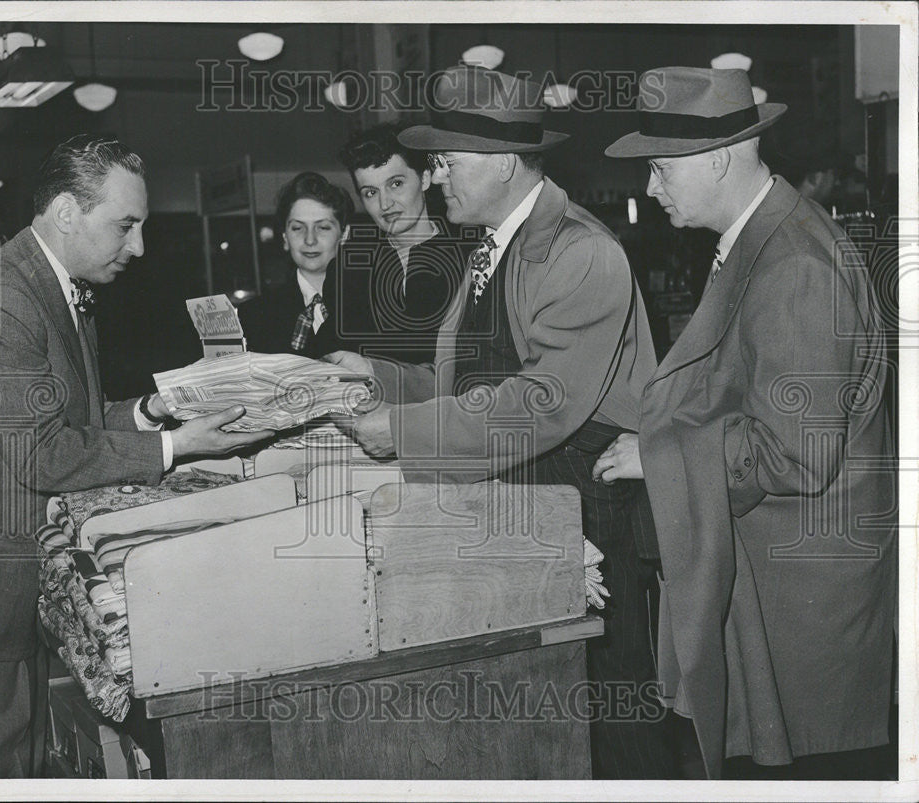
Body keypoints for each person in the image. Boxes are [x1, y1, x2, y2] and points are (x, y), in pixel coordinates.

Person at [327, 66, 673, 779]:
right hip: (516, 509)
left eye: (447, 160)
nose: (435, 174)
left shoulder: (579, 251)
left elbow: (539, 403)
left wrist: (407, 432)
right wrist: (376, 375)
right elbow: (465, 384)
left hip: (582, 516)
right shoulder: (491, 245)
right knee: (538, 726)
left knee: (609, 725)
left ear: (506, 163)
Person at [598, 66, 896, 779]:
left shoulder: (793, 265)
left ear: (720, 159)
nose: (650, 189)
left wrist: (659, 454)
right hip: (780, 582)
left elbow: (796, 454)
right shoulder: (765, 235)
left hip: (801, 606)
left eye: (662, 171)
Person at [0, 134, 274, 778]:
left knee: (22, 763)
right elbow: (42, 453)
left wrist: (155, 410)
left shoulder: (51, 283)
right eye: (125, 225)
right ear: (67, 212)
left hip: (18, 591)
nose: (139, 246)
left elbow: (72, 420)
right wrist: (178, 446)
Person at [335, 122, 466, 362]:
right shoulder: (350, 267)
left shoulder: (468, 258)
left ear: (425, 180)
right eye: (370, 193)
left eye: (395, 184)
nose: (385, 204)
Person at [237, 171, 354, 358]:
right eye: (298, 228)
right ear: (285, 237)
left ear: (344, 235)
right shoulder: (253, 316)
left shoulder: (373, 308)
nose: (310, 239)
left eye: (323, 227)